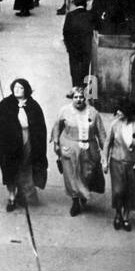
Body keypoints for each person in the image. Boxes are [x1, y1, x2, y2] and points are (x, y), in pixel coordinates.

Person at [0, 78, 48, 212]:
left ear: (26, 90)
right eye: (15, 87)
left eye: (20, 88)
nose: (17, 90)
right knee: (11, 169)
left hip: (28, 139)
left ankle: (22, 194)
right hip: (10, 144)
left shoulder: (33, 106)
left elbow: (40, 127)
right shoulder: (5, 105)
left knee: (25, 166)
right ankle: (11, 197)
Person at [51, 86, 107, 216]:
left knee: (87, 174)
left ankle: (83, 193)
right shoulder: (64, 111)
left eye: (81, 97)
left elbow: (101, 133)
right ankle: (75, 200)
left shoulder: (93, 113)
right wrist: (56, 143)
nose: (79, 100)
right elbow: (57, 128)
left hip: (89, 148)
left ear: (85, 98)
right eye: (76, 97)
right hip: (70, 147)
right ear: (72, 98)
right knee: (72, 175)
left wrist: (105, 150)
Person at [106, 97, 135, 231]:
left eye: (121, 111)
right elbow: (107, 144)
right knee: (118, 191)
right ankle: (117, 214)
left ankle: (125, 217)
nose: (118, 112)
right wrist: (104, 162)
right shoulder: (114, 125)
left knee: (131, 191)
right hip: (116, 162)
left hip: (133, 164)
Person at [62, 0, 95, 90]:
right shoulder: (90, 15)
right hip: (86, 47)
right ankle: (84, 88)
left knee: (74, 67)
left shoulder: (70, 15)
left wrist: (68, 46)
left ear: (74, 3)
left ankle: (75, 88)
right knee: (85, 68)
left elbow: (65, 32)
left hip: (73, 47)